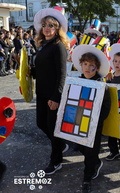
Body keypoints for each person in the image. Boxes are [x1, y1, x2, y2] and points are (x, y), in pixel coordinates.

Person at [32, 8, 70, 175]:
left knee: (53, 127)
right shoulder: (42, 45)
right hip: (41, 93)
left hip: (53, 95)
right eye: (45, 25)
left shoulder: (58, 46)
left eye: (51, 25)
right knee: (41, 123)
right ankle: (60, 144)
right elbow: (41, 69)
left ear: (57, 29)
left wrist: (56, 97)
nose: (47, 28)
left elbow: (62, 74)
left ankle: (56, 161)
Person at [71, 44, 111, 193]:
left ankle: (86, 181)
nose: (87, 68)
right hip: (78, 123)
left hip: (94, 126)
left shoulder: (101, 84)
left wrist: (96, 122)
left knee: (89, 152)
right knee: (80, 148)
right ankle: (96, 162)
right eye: (85, 64)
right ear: (80, 65)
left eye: (91, 66)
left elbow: (106, 106)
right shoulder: (76, 80)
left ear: (97, 68)